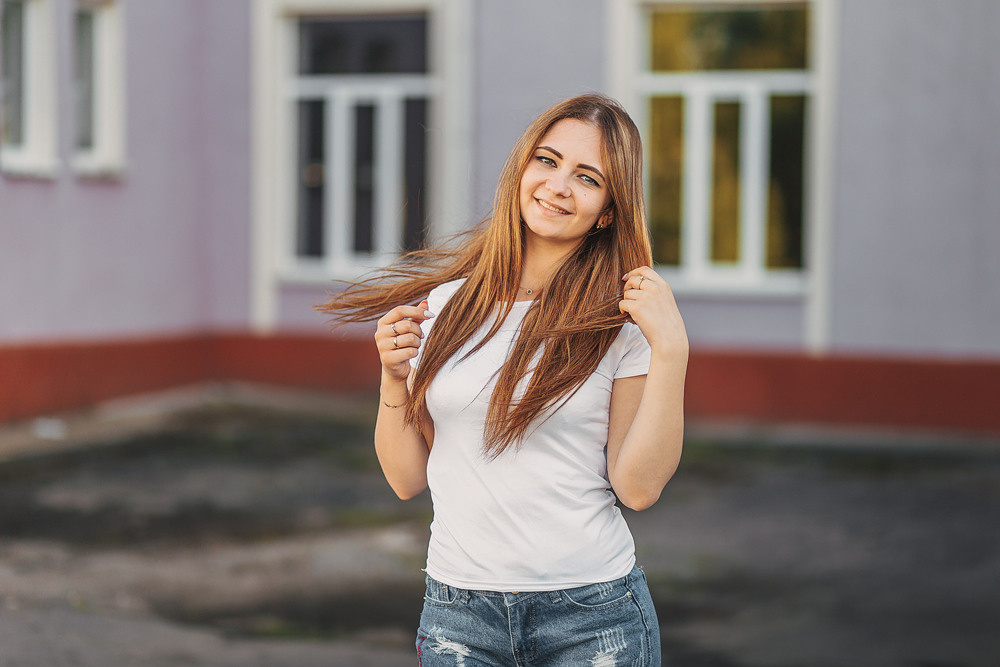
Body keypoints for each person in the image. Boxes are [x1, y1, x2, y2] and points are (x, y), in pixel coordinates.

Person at [319, 93, 687, 666]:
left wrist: (672, 351)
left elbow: (638, 489)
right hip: (458, 614)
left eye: (587, 178)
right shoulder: (445, 308)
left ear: (609, 211)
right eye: (548, 160)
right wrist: (393, 380)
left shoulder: (621, 323)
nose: (558, 185)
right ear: (522, 167)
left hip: (593, 620)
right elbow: (405, 478)